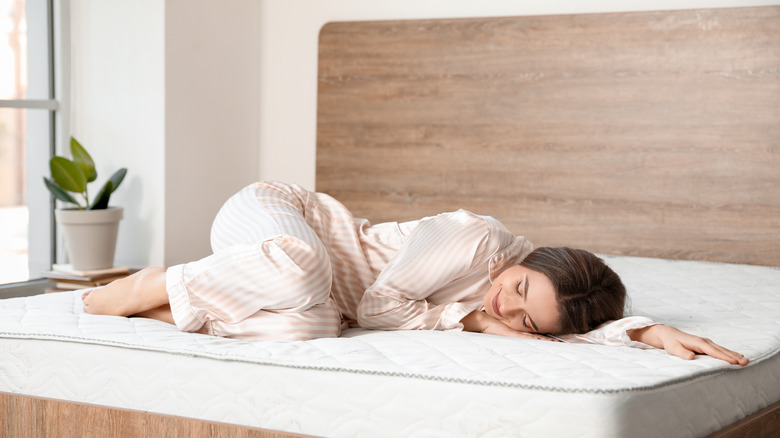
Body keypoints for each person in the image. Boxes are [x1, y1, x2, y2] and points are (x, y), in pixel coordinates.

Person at [82, 181, 748, 366]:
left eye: (524, 320)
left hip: (308, 290)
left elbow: (562, 330)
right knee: (308, 274)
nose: (505, 306)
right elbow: (376, 308)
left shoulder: (535, 308)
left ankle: (158, 299)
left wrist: (650, 332)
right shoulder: (478, 240)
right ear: (526, 260)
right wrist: (478, 318)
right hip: (277, 220)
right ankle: (147, 282)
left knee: (311, 325)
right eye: (518, 290)